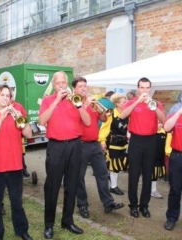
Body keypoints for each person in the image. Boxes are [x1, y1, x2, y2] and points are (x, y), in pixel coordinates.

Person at [39, 71, 91, 239]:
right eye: (58, 83)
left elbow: (88, 121)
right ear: (54, 85)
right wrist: (56, 100)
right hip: (56, 146)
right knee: (52, 186)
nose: (61, 85)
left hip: (75, 145)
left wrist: (78, 105)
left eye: (63, 82)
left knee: (72, 185)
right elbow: (42, 121)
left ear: (67, 83)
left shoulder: (77, 99)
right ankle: (49, 224)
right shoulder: (47, 100)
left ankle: (67, 221)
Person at [0, 85, 33, 240]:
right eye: (2, 95)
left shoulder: (16, 112)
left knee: (17, 202)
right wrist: (1, 118)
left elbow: (28, 134)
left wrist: (20, 121)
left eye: (8, 95)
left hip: (15, 165)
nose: (5, 98)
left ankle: (22, 230)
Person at [73, 77, 124, 220]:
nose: (84, 88)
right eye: (80, 86)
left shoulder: (93, 102)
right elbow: (76, 119)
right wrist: (85, 105)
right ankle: (82, 204)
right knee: (79, 177)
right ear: (75, 89)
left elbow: (103, 119)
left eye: (85, 85)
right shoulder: (74, 102)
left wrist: (102, 112)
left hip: (94, 144)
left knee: (102, 174)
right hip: (80, 144)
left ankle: (108, 203)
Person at [120, 77, 165, 218]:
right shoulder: (132, 102)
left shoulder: (156, 103)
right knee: (133, 174)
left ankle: (144, 205)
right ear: (138, 88)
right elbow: (122, 115)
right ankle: (133, 205)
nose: (144, 90)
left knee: (148, 174)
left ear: (150, 88)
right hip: (136, 140)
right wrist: (138, 102)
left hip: (151, 140)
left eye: (147, 88)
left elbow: (164, 120)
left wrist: (154, 107)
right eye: (142, 87)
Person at [99, 93, 128, 196]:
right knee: (114, 165)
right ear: (117, 104)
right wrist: (102, 141)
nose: (126, 103)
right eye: (124, 102)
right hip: (112, 143)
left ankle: (111, 178)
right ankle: (113, 187)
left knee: (121, 164)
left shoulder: (127, 113)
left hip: (123, 144)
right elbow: (104, 128)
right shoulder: (110, 113)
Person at [163, 101, 182, 231]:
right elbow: (166, 128)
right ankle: (171, 218)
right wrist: (179, 112)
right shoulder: (176, 114)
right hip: (177, 156)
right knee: (175, 189)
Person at [151, 121, 166, 199]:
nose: (160, 125)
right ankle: (151, 190)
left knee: (156, 175)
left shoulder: (164, 133)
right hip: (152, 157)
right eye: (158, 123)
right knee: (152, 174)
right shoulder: (151, 133)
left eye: (161, 123)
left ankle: (153, 190)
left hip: (160, 157)